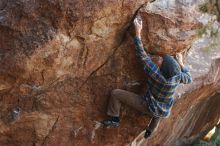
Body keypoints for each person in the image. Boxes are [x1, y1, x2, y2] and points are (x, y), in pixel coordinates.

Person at [102, 16, 192, 139]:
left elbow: (142, 56)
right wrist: (181, 63)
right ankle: (150, 131)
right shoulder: (177, 77)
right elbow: (189, 78)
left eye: (161, 61)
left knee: (115, 93)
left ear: (162, 70)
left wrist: (138, 32)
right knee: (158, 114)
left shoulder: (157, 76)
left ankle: (114, 119)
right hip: (163, 108)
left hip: (147, 105)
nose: (160, 59)